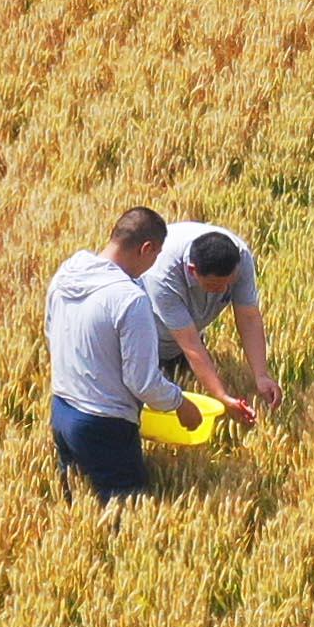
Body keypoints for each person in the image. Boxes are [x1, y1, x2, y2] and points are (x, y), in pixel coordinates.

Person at [47, 206, 190, 501]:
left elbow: (51, 332)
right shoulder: (129, 300)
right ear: (147, 248)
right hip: (104, 425)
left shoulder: (67, 272)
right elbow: (143, 381)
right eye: (156, 255)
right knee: (125, 518)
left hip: (61, 410)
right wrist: (180, 403)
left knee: (76, 508)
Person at [147, 224, 280, 427]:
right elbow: (190, 343)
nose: (223, 291)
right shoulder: (162, 276)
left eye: (229, 283)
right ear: (193, 271)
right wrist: (222, 396)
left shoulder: (240, 258)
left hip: (189, 331)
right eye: (215, 286)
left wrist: (261, 375)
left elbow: (249, 317)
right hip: (149, 339)